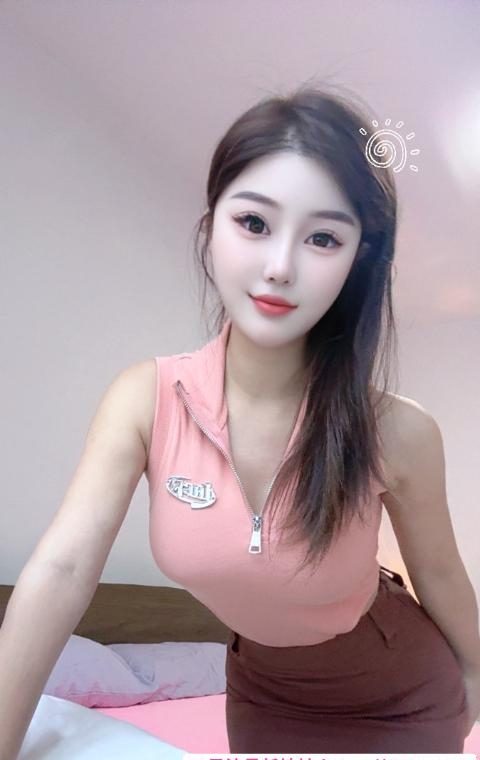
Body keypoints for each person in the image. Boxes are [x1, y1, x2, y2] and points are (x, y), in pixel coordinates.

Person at [0, 83, 479, 759]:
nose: (279, 267)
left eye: (323, 238)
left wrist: (475, 675)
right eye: (254, 223)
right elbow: (62, 570)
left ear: (357, 260)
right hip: (263, 692)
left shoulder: (397, 432)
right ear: (211, 227)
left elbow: (442, 576)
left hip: (399, 695)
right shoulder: (146, 399)